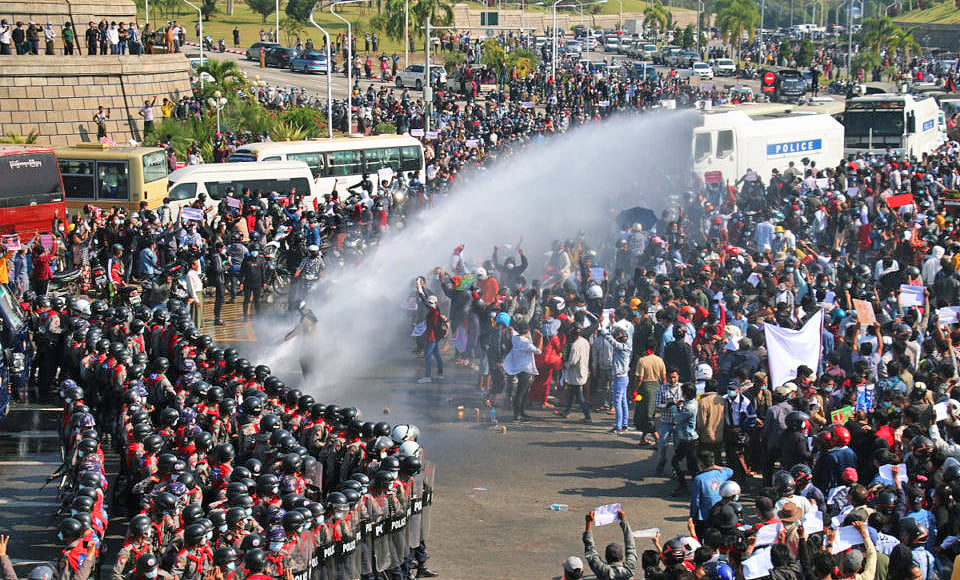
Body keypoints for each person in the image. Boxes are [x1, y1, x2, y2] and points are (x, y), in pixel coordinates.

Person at [502, 320, 541, 421]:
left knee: (523, 391)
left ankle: (520, 412)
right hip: (526, 369)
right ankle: (517, 414)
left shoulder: (515, 338)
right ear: (528, 330)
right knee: (521, 392)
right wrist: (540, 338)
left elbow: (514, 333)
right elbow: (538, 351)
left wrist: (512, 330)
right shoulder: (525, 342)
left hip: (519, 367)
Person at [582, 509, 637, 580]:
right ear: (622, 557)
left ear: (606, 558)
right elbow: (631, 546)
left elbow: (590, 550)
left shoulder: (603, 571)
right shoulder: (628, 571)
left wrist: (588, 523)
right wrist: (624, 521)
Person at [416, 280, 445, 383]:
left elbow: (424, 300)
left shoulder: (434, 311)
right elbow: (426, 298)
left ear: (435, 303)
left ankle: (427, 376)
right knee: (436, 354)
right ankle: (440, 374)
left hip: (432, 336)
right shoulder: (436, 309)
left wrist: (420, 291)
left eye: (431, 303)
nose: (429, 304)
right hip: (434, 336)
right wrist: (421, 288)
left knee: (428, 355)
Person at [283, 300, 319, 378]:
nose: (296, 311)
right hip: (310, 344)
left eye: (297, 309)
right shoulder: (308, 314)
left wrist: (288, 337)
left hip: (310, 345)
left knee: (306, 364)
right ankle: (310, 380)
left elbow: (298, 329)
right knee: (306, 364)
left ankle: (309, 382)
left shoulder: (307, 317)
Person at [240, 244, 267, 321]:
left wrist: (264, 282)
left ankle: (258, 317)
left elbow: (263, 272)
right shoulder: (246, 260)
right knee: (246, 300)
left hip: (257, 284)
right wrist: (241, 282)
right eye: (253, 251)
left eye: (256, 251)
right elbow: (242, 272)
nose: (255, 252)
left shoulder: (260, 260)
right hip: (248, 283)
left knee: (257, 301)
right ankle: (245, 317)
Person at [185, 258, 204, 329]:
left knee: (199, 314)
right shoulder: (189, 275)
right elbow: (191, 289)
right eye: (197, 265)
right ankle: (195, 328)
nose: (198, 266)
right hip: (196, 295)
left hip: (199, 294)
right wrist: (196, 300)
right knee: (195, 315)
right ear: (192, 265)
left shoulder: (194, 273)